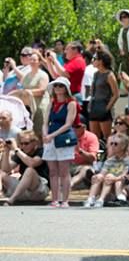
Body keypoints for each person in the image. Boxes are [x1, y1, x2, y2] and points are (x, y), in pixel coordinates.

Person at [42, 76, 78, 207]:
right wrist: (45, 134)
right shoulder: (52, 102)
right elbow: (46, 122)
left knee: (64, 170)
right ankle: (55, 199)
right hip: (51, 137)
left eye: (61, 86)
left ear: (66, 88)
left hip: (64, 138)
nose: (58, 88)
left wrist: (52, 135)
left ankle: (65, 200)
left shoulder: (71, 103)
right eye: (56, 86)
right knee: (52, 171)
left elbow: (68, 124)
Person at [0, 131, 49, 204]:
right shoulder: (21, 152)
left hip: (38, 190)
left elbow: (32, 163)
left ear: (35, 143)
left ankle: (12, 199)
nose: (23, 146)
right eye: (21, 144)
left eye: (26, 143)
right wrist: (6, 152)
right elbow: (6, 170)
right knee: (1, 173)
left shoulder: (41, 151)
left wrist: (16, 149)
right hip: (22, 190)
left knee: (30, 170)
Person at [84, 132, 129, 207]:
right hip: (108, 183)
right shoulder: (110, 160)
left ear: (123, 146)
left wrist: (114, 178)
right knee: (99, 177)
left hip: (121, 186)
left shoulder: (128, 160)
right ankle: (90, 199)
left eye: (115, 144)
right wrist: (97, 176)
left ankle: (101, 199)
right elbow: (102, 173)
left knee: (109, 176)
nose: (112, 146)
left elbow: (125, 176)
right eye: (111, 143)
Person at [88, 50, 119, 143]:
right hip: (94, 105)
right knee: (94, 137)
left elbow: (116, 94)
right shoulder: (96, 74)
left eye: (95, 59)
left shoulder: (109, 75)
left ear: (101, 61)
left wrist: (107, 108)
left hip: (104, 104)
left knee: (107, 137)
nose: (93, 61)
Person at [69, 115, 100, 190]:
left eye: (77, 126)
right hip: (69, 164)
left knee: (86, 169)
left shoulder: (91, 137)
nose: (74, 129)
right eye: (72, 126)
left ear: (84, 127)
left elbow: (93, 158)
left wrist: (80, 151)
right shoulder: (66, 136)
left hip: (84, 165)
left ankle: (70, 184)